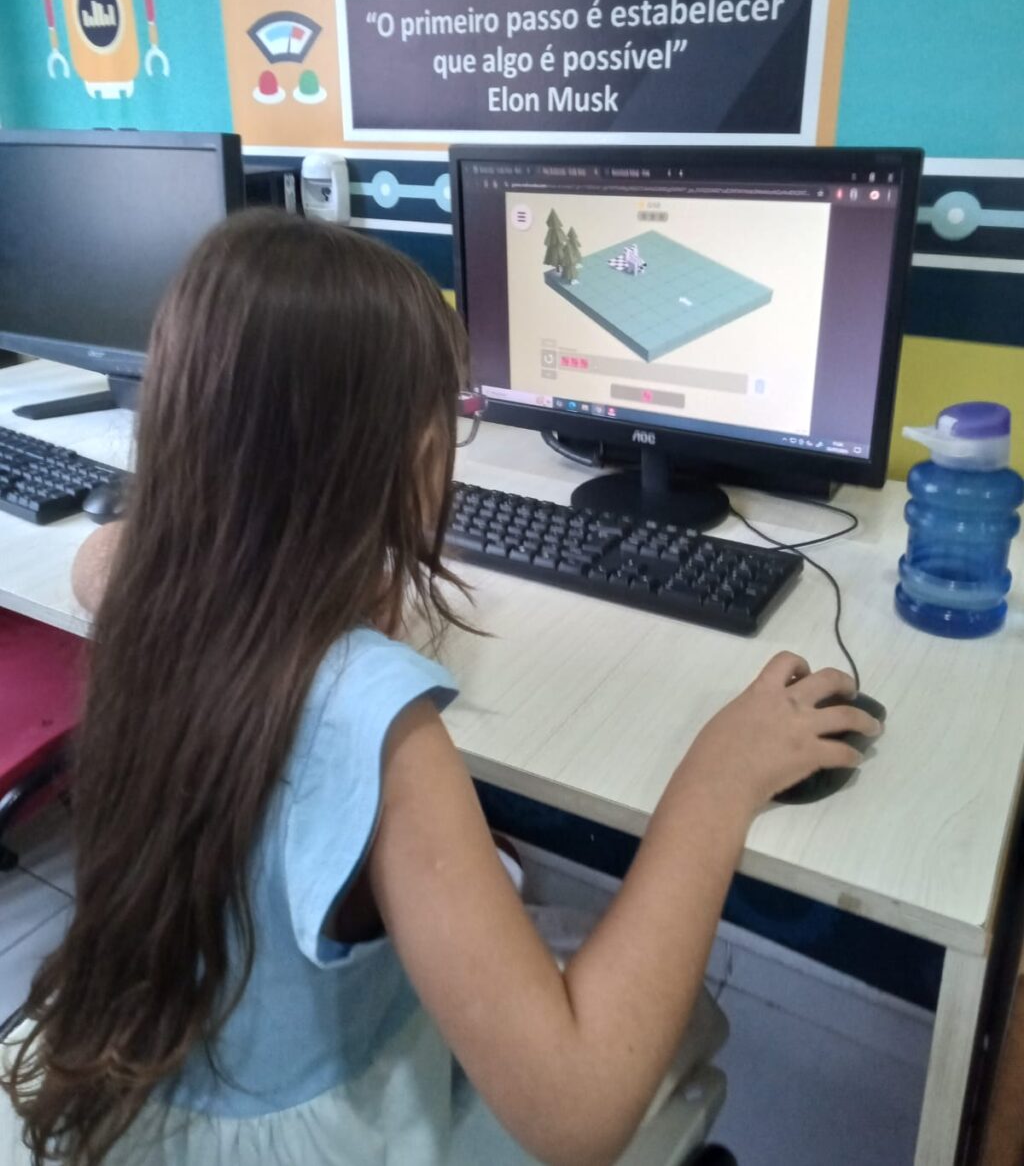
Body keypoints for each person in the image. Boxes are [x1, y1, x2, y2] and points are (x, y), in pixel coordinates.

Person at [0, 211, 879, 1166]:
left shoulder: (145, 587)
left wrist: (331, 589)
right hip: (323, 1139)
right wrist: (719, 779)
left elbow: (100, 558)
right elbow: (578, 1112)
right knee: (663, 1007)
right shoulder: (376, 721)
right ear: (416, 457)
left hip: (147, 1082)